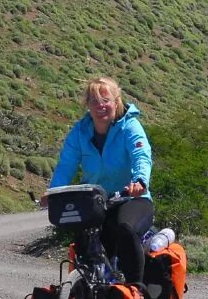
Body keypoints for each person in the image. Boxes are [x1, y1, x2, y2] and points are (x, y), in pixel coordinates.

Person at [41, 76, 154, 287]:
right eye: (94, 100)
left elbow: (141, 155)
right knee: (85, 246)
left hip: (130, 198)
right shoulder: (80, 132)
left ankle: (136, 291)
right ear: (87, 105)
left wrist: (139, 181)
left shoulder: (130, 126)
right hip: (95, 202)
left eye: (105, 100)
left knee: (125, 228)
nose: (100, 105)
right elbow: (66, 165)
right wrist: (53, 192)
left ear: (116, 101)